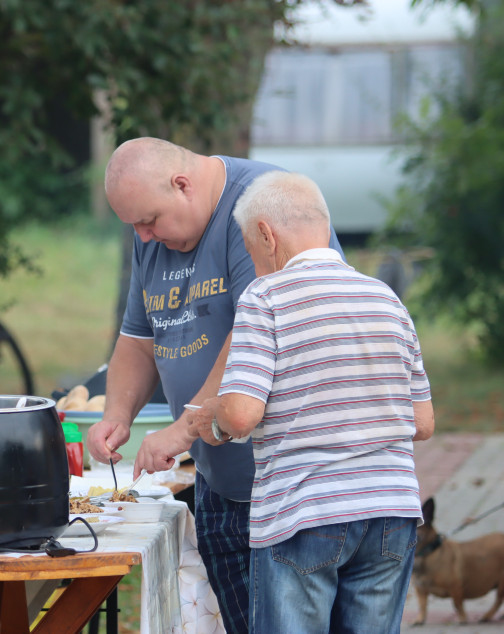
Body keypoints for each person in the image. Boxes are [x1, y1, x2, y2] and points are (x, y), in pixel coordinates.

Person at [85, 137, 341, 633]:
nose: (143, 236)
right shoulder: (152, 239)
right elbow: (138, 340)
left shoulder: (259, 206)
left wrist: (181, 430)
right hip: (218, 481)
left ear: (182, 185)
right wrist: (116, 416)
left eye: (149, 220)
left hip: (293, 490)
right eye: (134, 225)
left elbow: (258, 330)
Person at [210, 170, 434, 633]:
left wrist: (211, 418)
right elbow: (423, 421)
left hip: (304, 513)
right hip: (391, 512)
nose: (254, 265)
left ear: (266, 235)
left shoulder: (266, 297)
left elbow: (241, 415)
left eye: (251, 252)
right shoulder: (386, 298)